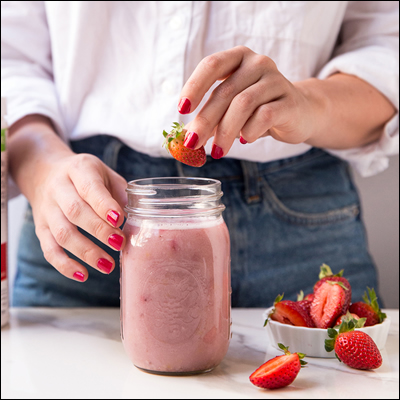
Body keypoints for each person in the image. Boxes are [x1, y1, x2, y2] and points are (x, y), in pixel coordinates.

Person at [1, 1, 398, 307]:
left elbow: (388, 43)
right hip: (85, 209)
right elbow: (10, 55)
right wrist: (42, 168)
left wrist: (308, 103)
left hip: (298, 222)